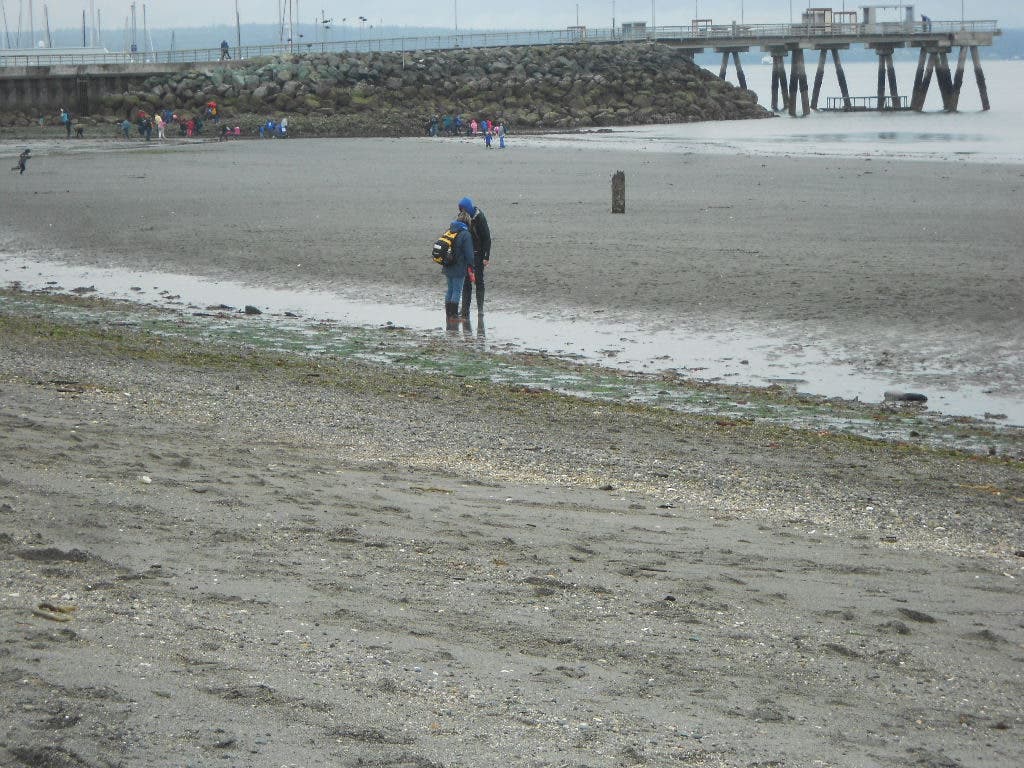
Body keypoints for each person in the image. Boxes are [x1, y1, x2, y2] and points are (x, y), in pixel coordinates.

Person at [457, 196, 492, 317]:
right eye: (460, 209)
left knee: (478, 280)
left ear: (468, 208)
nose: (462, 212)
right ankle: (465, 309)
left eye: (463, 209)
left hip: (478, 253)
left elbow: (487, 238)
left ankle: (480, 310)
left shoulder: (480, 218)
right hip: (466, 254)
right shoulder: (462, 217)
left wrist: (486, 256)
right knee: (466, 282)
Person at [441, 215, 474, 321]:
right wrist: (471, 266)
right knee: (457, 291)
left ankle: (448, 314)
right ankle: (454, 316)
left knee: (450, 290)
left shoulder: (450, 230)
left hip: (447, 265)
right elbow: (469, 254)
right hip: (459, 267)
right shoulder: (465, 234)